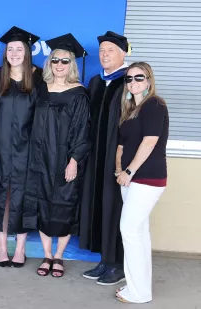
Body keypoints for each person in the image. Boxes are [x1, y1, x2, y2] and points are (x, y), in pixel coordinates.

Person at [24, 34, 90, 277]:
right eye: (55, 60)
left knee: (64, 206)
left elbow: (83, 131)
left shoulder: (79, 93)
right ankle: (47, 255)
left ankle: (59, 256)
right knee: (42, 205)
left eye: (64, 61)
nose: (59, 65)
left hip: (64, 159)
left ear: (71, 64)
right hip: (39, 159)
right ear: (49, 63)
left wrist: (74, 160)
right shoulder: (40, 89)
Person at [0, 26, 42, 268]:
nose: (15, 53)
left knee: (22, 197)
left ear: (27, 52)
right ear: (5, 52)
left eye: (19, 49)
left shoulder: (39, 77)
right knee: (2, 196)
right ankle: (2, 248)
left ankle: (19, 249)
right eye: (10, 49)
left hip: (27, 148)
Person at [115, 62, 168, 304]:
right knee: (139, 234)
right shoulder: (130, 110)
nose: (133, 82)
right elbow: (122, 144)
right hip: (129, 180)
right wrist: (119, 170)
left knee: (130, 231)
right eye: (129, 78)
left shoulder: (154, 105)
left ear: (149, 81)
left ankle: (138, 293)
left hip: (146, 179)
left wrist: (128, 170)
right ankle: (139, 285)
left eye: (139, 77)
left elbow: (149, 142)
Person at [80, 31, 130, 285]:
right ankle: (104, 259)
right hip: (96, 155)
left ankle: (118, 264)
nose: (104, 55)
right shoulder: (96, 82)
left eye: (110, 50)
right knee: (99, 204)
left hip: (118, 157)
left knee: (118, 208)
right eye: (101, 51)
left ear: (123, 53)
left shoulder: (129, 81)